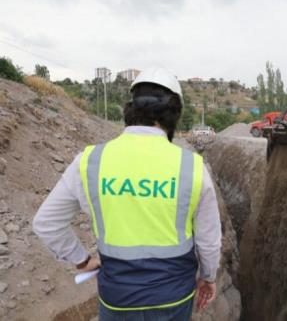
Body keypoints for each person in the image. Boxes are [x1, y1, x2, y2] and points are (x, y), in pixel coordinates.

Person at [33, 68, 222, 321]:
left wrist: (81, 260)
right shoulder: (192, 166)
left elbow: (46, 223)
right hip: (173, 298)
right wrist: (208, 278)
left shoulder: (90, 161)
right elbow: (208, 241)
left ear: (130, 109)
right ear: (174, 114)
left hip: (117, 299)